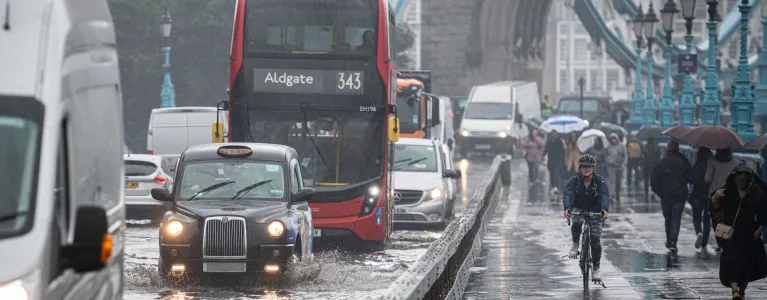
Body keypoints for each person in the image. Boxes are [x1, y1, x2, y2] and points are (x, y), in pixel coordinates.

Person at [710, 163, 767, 299]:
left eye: (743, 180)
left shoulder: (756, 195)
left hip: (748, 233)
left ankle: (741, 292)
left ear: (748, 180)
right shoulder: (726, 192)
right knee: (730, 261)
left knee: (747, 264)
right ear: (733, 179)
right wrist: (715, 199)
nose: (740, 183)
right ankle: (735, 291)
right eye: (738, 180)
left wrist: (760, 229)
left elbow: (763, 214)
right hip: (731, 234)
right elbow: (716, 208)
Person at [563, 154, 610, 281]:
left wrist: (604, 209)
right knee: (577, 221)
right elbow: (567, 194)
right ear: (580, 168)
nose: (587, 169)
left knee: (595, 239)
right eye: (584, 166)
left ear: (594, 168)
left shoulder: (599, 181)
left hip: (595, 210)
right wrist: (567, 208)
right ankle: (575, 243)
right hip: (578, 207)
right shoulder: (574, 180)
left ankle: (596, 269)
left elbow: (604, 195)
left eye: (590, 167)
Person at [650, 140, 692, 252]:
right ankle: (673, 241)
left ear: (668, 148)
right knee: (676, 219)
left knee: (668, 218)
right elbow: (691, 177)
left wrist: (659, 192)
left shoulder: (662, 161)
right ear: (678, 149)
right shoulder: (683, 161)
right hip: (680, 195)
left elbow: (654, 179)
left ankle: (669, 240)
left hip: (666, 196)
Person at [705, 147, 741, 252]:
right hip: (731, 194)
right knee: (729, 218)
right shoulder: (736, 162)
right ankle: (728, 242)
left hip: (715, 194)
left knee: (717, 220)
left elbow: (707, 179)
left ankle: (721, 243)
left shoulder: (712, 161)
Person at [689, 147, 713, 250]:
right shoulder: (712, 165)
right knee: (707, 220)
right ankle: (704, 243)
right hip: (709, 195)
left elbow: (691, 180)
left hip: (698, 195)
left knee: (696, 218)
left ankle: (699, 233)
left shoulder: (697, 165)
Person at [605, 133, 627, 202]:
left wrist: (624, 164)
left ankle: (617, 194)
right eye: (612, 139)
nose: (613, 140)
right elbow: (606, 155)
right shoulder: (608, 146)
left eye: (614, 138)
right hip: (611, 166)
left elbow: (625, 156)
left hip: (619, 166)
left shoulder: (622, 146)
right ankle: (612, 195)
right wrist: (608, 161)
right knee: (612, 181)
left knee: (618, 181)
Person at [543, 129, 566, 193]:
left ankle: (556, 186)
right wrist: (543, 155)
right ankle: (553, 185)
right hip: (551, 160)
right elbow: (546, 149)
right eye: (552, 133)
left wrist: (562, 155)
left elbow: (563, 151)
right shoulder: (549, 141)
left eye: (555, 133)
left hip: (558, 159)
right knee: (552, 174)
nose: (554, 134)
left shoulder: (560, 141)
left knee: (556, 173)